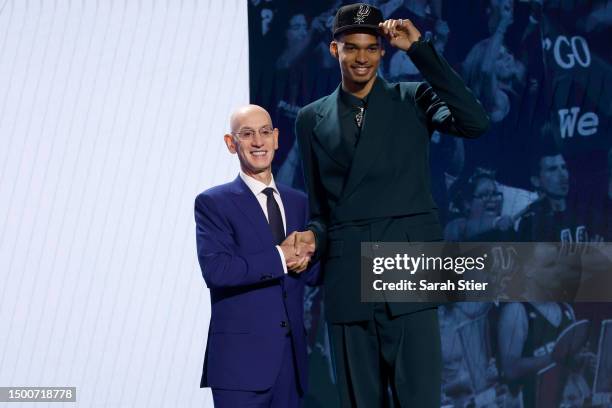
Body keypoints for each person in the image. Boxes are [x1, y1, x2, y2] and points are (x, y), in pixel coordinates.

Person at [291, 3, 489, 406]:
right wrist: (312, 237)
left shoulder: (412, 96)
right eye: (351, 47)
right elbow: (321, 212)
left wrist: (420, 51)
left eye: (370, 47)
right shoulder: (311, 118)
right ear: (335, 50)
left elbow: (474, 122)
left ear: (383, 51)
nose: (361, 57)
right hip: (349, 279)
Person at [194, 105, 319, 408]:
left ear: (276, 138)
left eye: (265, 132)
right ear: (230, 143)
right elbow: (218, 270)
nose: (258, 142)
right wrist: (281, 257)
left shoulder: (299, 202)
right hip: (240, 367)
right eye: (247, 134)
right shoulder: (213, 203)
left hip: (291, 365)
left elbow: (312, 274)